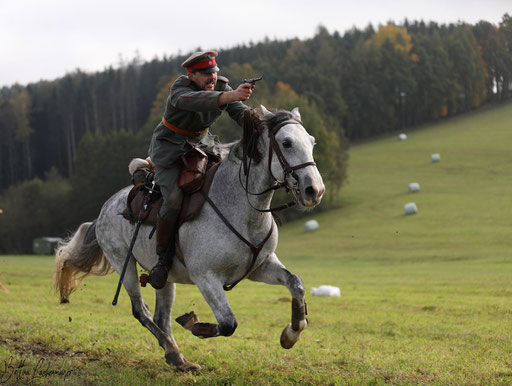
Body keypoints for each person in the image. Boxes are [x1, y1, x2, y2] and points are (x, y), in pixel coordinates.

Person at [147, 50, 254, 289]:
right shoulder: (179, 90)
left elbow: (241, 115)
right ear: (191, 74)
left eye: (213, 73)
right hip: (169, 149)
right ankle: (162, 260)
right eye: (205, 74)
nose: (212, 78)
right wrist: (231, 95)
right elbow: (195, 101)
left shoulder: (223, 88)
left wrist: (262, 123)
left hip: (203, 145)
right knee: (173, 198)